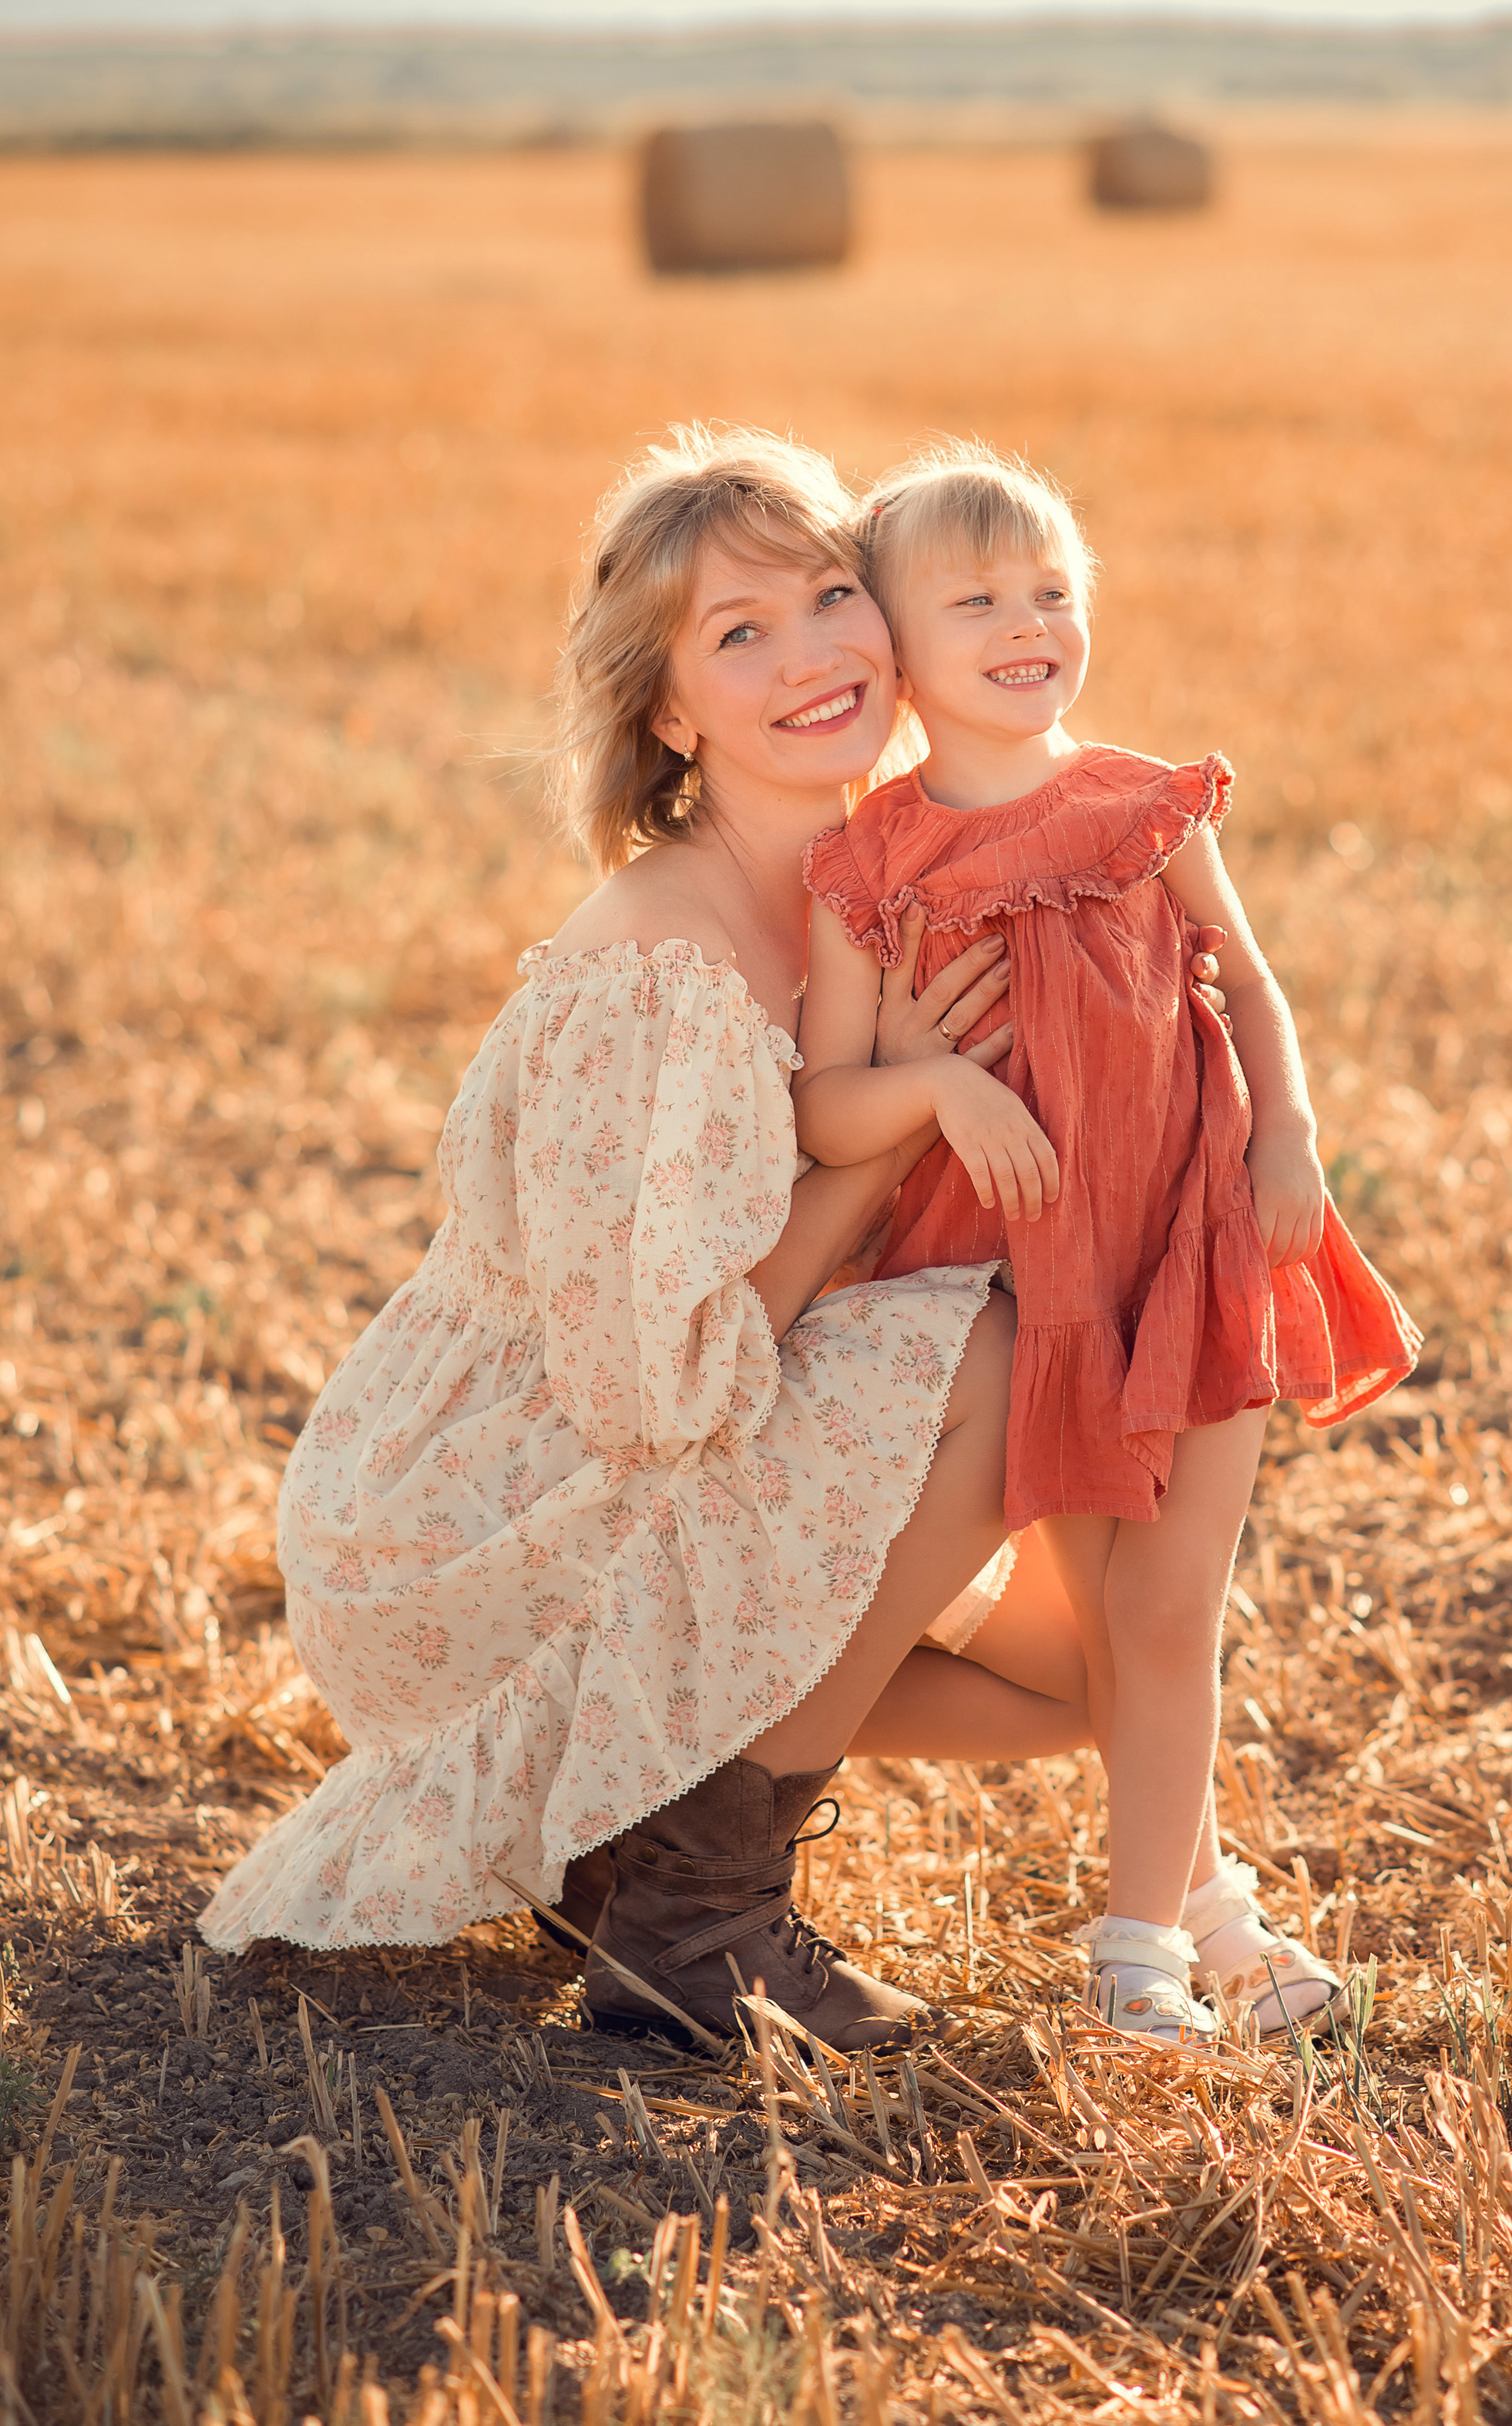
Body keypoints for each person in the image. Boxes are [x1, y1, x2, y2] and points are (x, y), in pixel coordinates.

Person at [194, 427, 1211, 2055]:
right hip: (488, 1485)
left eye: (828, 597)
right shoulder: (656, 959)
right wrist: (894, 1125)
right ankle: (696, 1910)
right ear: (669, 714)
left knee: (1082, 1683)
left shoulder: (890, 877)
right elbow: (653, 1375)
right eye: (739, 636)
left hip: (660, 1412)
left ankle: (627, 1825)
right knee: (986, 1343)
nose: (811, 654)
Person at [794, 443, 1421, 2044]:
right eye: (978, 598)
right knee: (1112, 1624)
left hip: (1194, 1241)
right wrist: (931, 1086)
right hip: (1030, 1293)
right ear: (895, 650)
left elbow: (1252, 983)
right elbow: (827, 1103)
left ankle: (1139, 1944)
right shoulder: (870, 862)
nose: (1028, 621)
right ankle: (1208, 1909)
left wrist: (1288, 1136)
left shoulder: (1142, 803)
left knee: (1173, 1606)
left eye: (1054, 592)